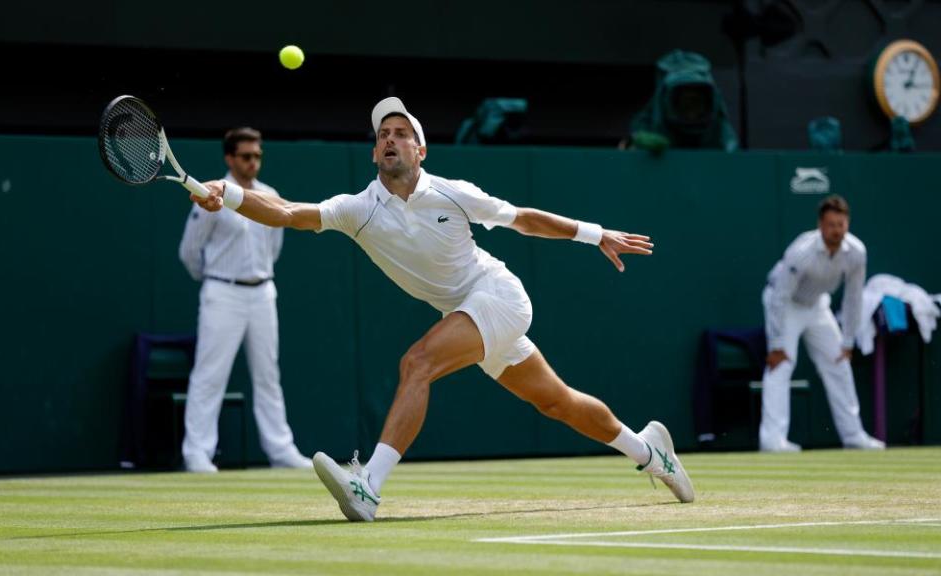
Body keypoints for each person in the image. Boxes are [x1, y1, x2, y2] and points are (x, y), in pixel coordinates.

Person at [190, 98, 695, 519]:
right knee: (556, 402)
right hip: (469, 315)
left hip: (498, 296)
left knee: (418, 363)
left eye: (401, 131)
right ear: (374, 153)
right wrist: (229, 194)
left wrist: (595, 234)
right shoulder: (357, 209)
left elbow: (523, 219)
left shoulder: (452, 194)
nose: (390, 138)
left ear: (420, 148)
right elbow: (284, 212)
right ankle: (652, 453)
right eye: (383, 133)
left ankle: (368, 487)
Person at [178, 127, 312, 473]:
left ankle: (280, 450)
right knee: (210, 374)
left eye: (257, 156)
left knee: (268, 375)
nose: (253, 162)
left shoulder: (271, 195)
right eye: (246, 156)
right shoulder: (211, 196)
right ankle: (197, 452)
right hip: (221, 293)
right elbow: (190, 252)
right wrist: (215, 280)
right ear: (230, 158)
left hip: (263, 292)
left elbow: (275, 248)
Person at [759, 194, 885, 453]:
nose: (836, 230)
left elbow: (853, 298)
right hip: (786, 304)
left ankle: (854, 436)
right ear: (820, 225)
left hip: (817, 305)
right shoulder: (801, 252)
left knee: (839, 362)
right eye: (831, 224)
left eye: (841, 224)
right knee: (781, 363)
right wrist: (776, 342)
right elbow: (780, 297)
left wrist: (848, 340)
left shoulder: (856, 253)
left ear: (847, 224)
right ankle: (772, 440)